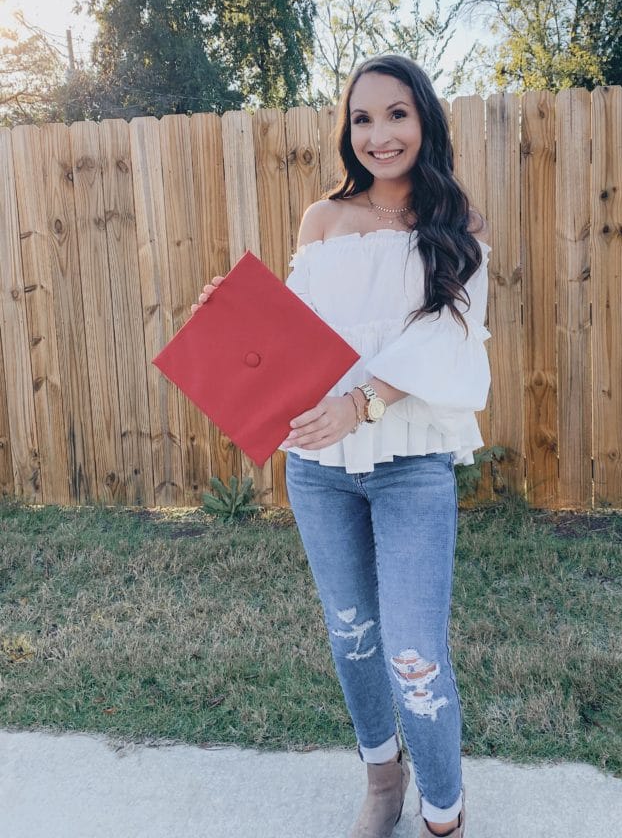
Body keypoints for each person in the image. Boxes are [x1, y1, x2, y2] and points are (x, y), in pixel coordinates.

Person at [193, 54, 491, 838]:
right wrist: (226, 317)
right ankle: (382, 783)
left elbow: (448, 340)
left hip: (410, 467)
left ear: (424, 119)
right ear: (346, 129)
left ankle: (443, 811)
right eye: (362, 118)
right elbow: (293, 339)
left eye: (397, 114)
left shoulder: (455, 224)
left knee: (414, 651)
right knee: (354, 634)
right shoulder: (321, 220)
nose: (379, 134)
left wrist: (363, 402)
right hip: (320, 471)